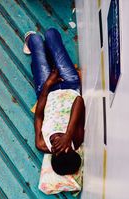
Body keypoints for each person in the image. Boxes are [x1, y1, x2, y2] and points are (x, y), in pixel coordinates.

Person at [24, 28, 85, 177]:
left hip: (47, 90)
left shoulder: (42, 143)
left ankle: (29, 41)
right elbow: (79, 100)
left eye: (57, 150)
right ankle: (50, 51)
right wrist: (68, 135)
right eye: (66, 148)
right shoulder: (76, 139)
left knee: (35, 41)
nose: (60, 144)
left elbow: (39, 116)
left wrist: (48, 84)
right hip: (70, 84)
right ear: (72, 148)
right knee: (51, 34)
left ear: (52, 154)